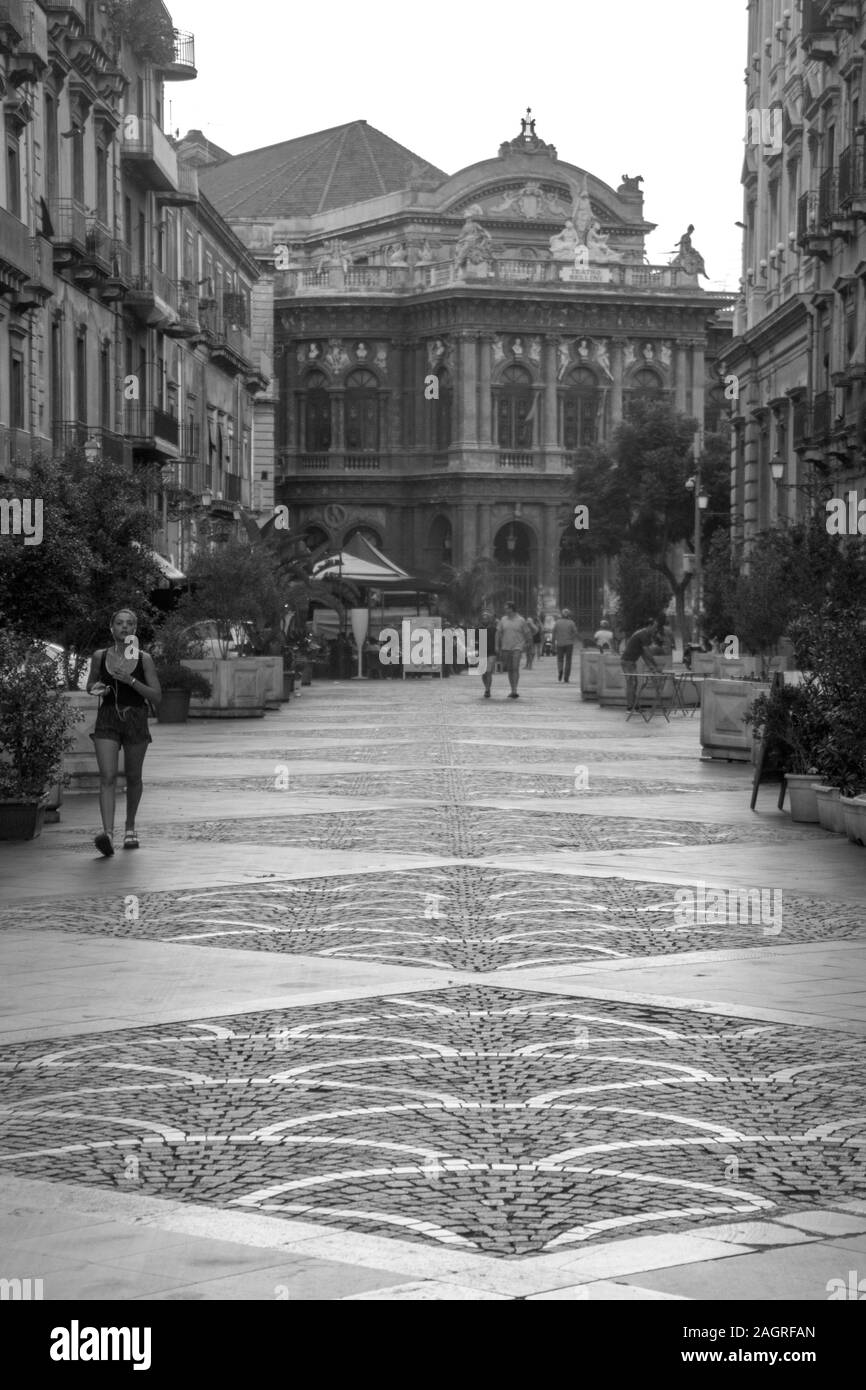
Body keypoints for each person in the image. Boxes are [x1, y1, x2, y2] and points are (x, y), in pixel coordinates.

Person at [86, 608, 162, 856]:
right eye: (119, 623)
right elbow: (90, 685)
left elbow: (156, 696)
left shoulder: (143, 658)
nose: (124, 627)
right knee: (107, 776)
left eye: (129, 624)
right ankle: (107, 833)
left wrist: (131, 681)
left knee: (133, 776)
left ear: (135, 629)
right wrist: (99, 688)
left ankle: (130, 827)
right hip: (108, 717)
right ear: (112, 628)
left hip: (135, 717)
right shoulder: (100, 656)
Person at [620, 619, 662, 712]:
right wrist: (656, 666)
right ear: (649, 626)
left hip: (630, 662)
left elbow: (643, 654)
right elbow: (647, 653)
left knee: (634, 684)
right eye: (654, 627)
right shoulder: (643, 634)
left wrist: (651, 667)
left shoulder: (645, 635)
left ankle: (634, 706)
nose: (655, 629)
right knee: (631, 684)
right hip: (627, 662)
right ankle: (630, 707)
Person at [496, 602, 530, 699]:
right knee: (510, 669)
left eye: (507, 608)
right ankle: (512, 689)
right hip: (506, 648)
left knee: (515, 667)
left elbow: (527, 633)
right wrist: (497, 646)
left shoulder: (521, 620)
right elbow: (498, 633)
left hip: (517, 647)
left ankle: (515, 690)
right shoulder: (503, 620)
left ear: (512, 609)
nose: (505, 610)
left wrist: (527, 644)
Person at [553, 608, 579, 683]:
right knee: (568, 660)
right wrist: (572, 638)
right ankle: (566, 677)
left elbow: (553, 633)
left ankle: (560, 670)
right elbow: (575, 633)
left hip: (560, 643)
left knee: (560, 659)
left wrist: (553, 643)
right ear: (569, 615)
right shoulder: (571, 622)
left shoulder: (557, 622)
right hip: (569, 644)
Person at [479, 609, 498, 698]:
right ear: (481, 619)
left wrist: (498, 648)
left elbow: (498, 639)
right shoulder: (478, 629)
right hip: (482, 652)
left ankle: (487, 690)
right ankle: (487, 688)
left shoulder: (494, 629)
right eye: (483, 618)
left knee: (488, 671)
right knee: (483, 673)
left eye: (486, 618)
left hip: (491, 652)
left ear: (489, 619)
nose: (485, 620)